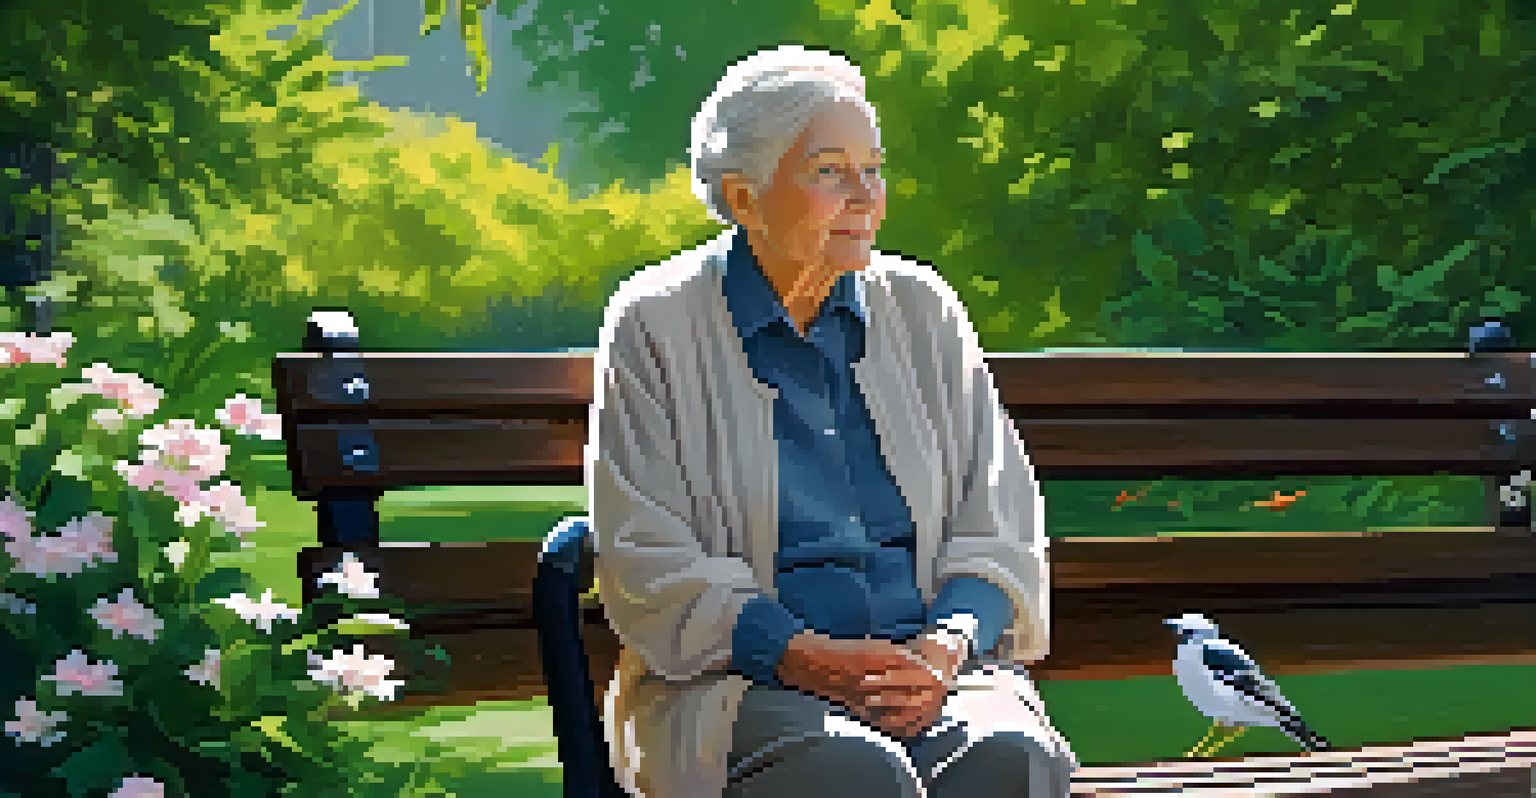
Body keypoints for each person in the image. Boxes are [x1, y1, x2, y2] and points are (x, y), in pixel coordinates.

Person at [589, 44, 1076, 798]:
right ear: (743, 197)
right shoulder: (656, 323)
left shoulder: (923, 309)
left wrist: (945, 647)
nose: (866, 195)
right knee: (851, 771)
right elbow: (645, 556)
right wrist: (804, 656)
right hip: (742, 687)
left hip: (934, 673)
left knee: (1009, 753)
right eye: (829, 171)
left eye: (873, 168)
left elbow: (999, 516)